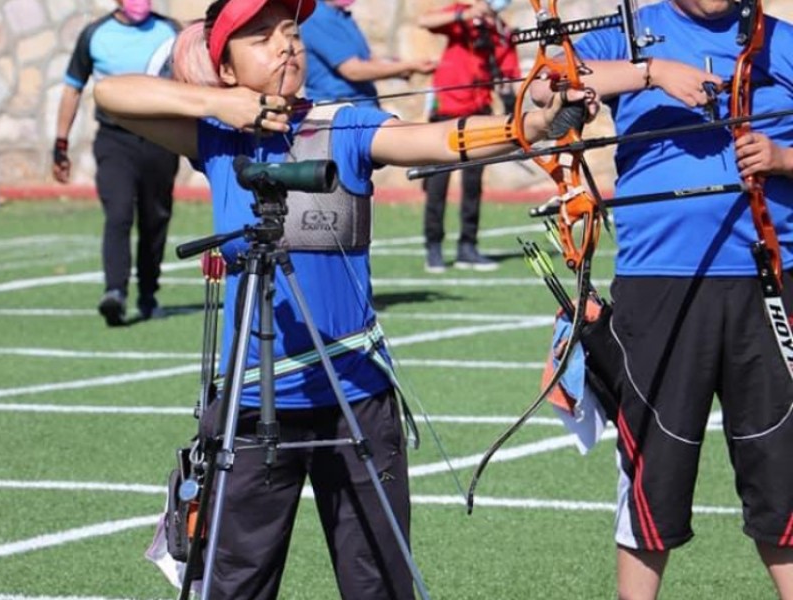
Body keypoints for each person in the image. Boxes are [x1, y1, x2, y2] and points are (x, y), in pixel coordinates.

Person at [93, 0, 596, 597]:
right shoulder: (216, 138)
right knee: (233, 585)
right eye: (260, 38)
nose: (286, 45)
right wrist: (216, 104)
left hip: (357, 396)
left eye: (290, 32)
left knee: (378, 582)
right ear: (225, 68)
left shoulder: (344, 123)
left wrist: (530, 128)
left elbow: (439, 140)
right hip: (253, 406)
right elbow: (110, 95)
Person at [532, 1, 793, 598]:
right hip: (659, 284)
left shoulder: (779, 40)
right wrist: (649, 73)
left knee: (782, 469)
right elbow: (539, 107)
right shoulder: (623, 32)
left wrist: (783, 159)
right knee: (655, 470)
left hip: (769, 282)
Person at [52, 0, 180, 326]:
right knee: (119, 212)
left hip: (159, 139)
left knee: (155, 218)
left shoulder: (170, 32)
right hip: (114, 141)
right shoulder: (95, 34)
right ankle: (115, 292)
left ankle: (148, 295)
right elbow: (72, 90)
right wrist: (61, 144)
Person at [417, 0, 520, 273]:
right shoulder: (463, 17)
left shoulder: (502, 32)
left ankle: (467, 247)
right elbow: (425, 21)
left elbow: (509, 74)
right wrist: (466, 14)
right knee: (437, 184)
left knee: (472, 185)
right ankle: (433, 247)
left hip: (478, 115)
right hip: (445, 112)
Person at [299, 0, 436, 107]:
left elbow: (368, 60)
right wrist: (407, 66)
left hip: (362, 104)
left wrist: (398, 66)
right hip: (338, 109)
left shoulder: (342, 16)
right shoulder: (318, 16)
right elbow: (353, 70)